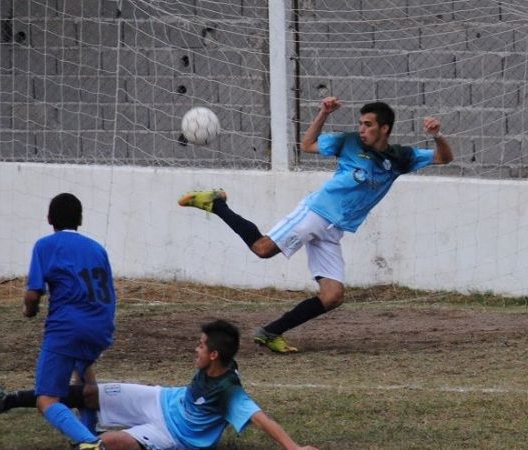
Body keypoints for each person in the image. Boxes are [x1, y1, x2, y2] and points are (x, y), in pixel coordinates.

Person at [178, 97, 454, 353]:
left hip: (334, 230)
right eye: (360, 123)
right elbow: (307, 145)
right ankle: (217, 204)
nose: (361, 129)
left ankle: (270, 332)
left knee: (333, 296)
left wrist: (437, 135)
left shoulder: (400, 157)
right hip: (316, 213)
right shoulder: (348, 142)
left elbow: (444, 158)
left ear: (385, 128)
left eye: (368, 125)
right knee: (263, 249)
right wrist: (323, 113)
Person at [0, 320, 318, 450]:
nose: (195, 349)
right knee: (90, 394)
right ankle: (7, 401)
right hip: (161, 399)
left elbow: (261, 418)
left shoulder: (230, 392)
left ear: (214, 355)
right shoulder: (219, 364)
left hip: (173, 436)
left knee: (107, 443)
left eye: (201, 346)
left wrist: (294, 448)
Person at [19, 192, 117, 450]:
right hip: (101, 326)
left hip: (68, 327)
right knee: (85, 379)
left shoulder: (45, 245)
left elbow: (33, 293)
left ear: (49, 218)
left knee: (47, 399)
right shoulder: (97, 248)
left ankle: (90, 443)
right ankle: (89, 430)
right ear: (80, 220)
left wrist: (29, 310)